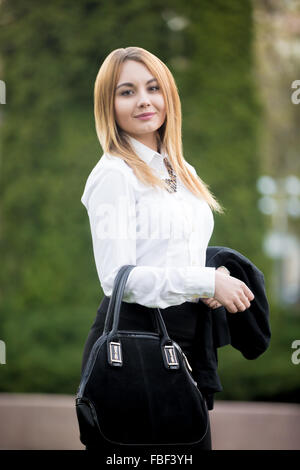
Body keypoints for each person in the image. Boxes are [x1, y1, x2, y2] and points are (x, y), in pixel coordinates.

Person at [79, 46, 255, 453]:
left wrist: (212, 281)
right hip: (136, 345)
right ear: (109, 105)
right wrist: (202, 279)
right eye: (127, 92)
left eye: (153, 87)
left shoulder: (182, 170)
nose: (143, 100)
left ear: (168, 95)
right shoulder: (113, 174)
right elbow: (117, 279)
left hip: (185, 345)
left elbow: (173, 253)